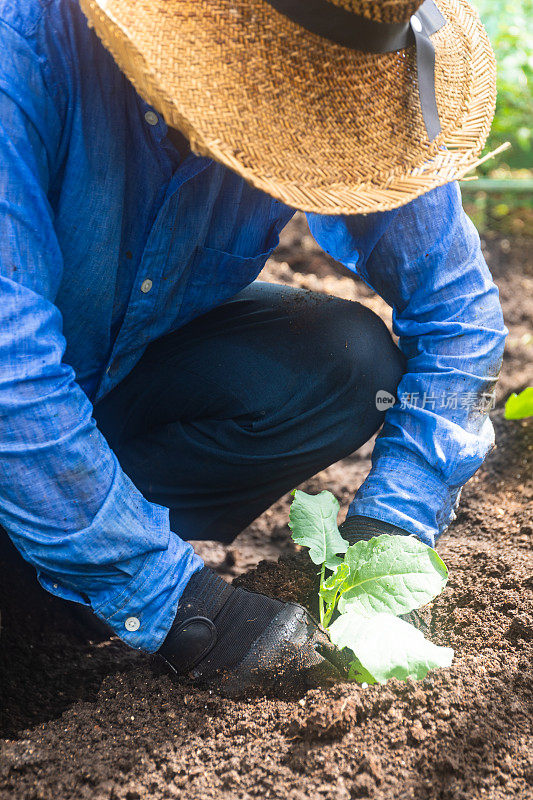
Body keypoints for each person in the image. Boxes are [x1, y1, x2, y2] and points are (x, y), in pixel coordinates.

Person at [0, 0, 506, 697]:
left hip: (94, 396)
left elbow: (460, 314)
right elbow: (11, 375)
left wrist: (392, 522)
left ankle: (47, 573)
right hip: (17, 399)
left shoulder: (355, 59)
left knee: (343, 361)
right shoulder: (21, 50)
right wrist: (182, 608)